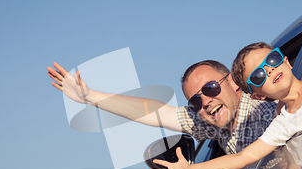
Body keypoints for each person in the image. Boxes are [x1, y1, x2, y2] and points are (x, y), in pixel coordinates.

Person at [150, 42, 302, 169]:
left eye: (272, 59)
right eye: (258, 75)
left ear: (286, 61)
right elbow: (242, 157)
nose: (269, 70)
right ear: (257, 96)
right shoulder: (283, 124)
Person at [47, 59, 277, 155]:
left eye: (211, 87)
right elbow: (156, 113)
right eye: (195, 101)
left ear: (235, 83)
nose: (205, 101)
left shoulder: (265, 112)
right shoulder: (216, 126)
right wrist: (91, 96)